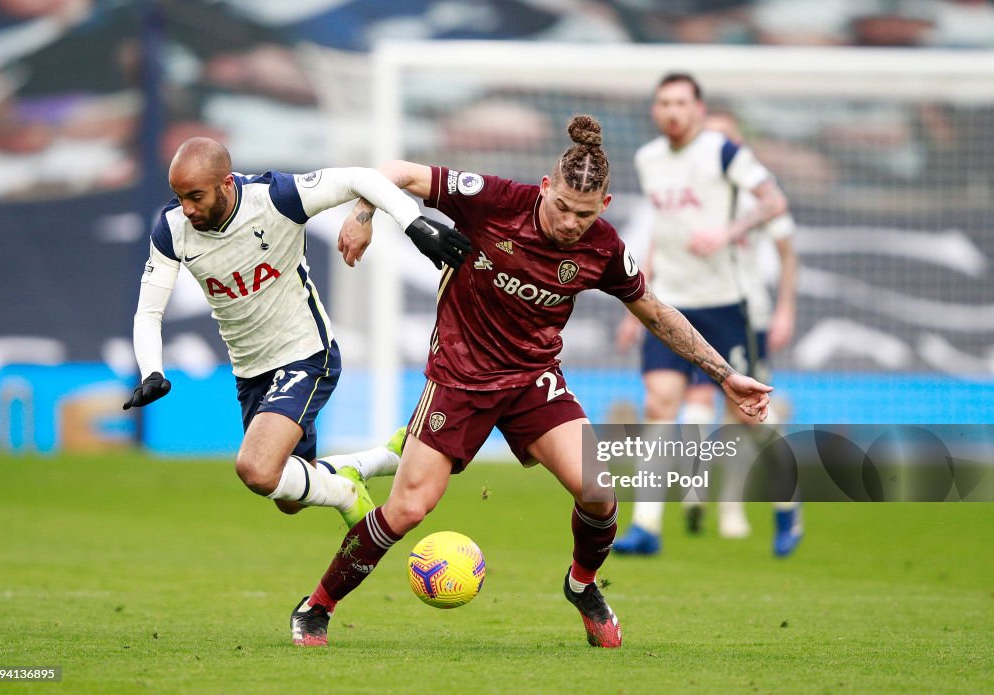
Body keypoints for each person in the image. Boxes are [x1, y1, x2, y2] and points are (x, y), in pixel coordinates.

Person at [291, 115, 773, 649]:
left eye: (584, 213)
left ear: (605, 207)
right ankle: (317, 606)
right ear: (546, 187)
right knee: (407, 509)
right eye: (562, 206)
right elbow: (396, 171)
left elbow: (656, 313)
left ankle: (582, 586)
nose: (570, 222)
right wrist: (364, 215)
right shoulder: (493, 200)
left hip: (533, 380)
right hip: (460, 378)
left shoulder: (604, 249)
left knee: (598, 491)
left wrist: (726, 376)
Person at [123, 137, 471, 529]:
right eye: (179, 196)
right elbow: (148, 312)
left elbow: (360, 178)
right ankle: (377, 461)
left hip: (305, 354)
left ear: (226, 184)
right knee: (288, 494)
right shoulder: (172, 229)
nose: (186, 208)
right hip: (251, 371)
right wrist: (152, 370)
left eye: (195, 196)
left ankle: (346, 494)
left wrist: (414, 223)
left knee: (256, 469)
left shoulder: (276, 198)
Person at [612, 74, 799, 557]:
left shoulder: (723, 151)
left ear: (698, 108)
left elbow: (774, 201)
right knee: (659, 404)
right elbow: (662, 230)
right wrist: (637, 299)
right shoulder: (649, 158)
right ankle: (647, 526)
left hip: (729, 304)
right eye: (663, 102)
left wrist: (727, 230)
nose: (671, 110)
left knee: (749, 413)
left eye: (681, 102)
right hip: (670, 302)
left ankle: (786, 505)